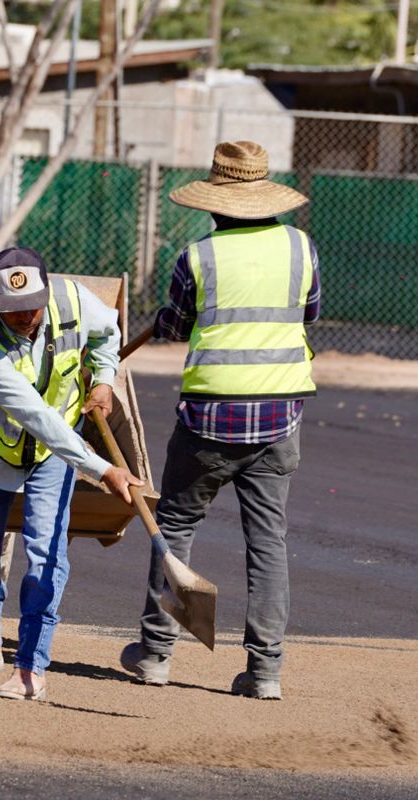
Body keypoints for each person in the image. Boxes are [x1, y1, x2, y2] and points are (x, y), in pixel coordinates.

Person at [119, 141, 321, 701]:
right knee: (268, 541)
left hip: (208, 420)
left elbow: (179, 325)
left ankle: (155, 654)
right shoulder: (301, 248)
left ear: (214, 201)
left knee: (175, 527)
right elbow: (308, 313)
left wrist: (165, 319)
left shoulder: (198, 257)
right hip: (280, 417)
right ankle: (266, 672)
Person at [0, 247, 142, 702]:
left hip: (53, 456)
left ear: (46, 292)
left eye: (32, 307)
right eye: (13, 309)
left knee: (46, 555)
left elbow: (108, 332)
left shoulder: (74, 301)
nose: (24, 317)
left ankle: (30, 668)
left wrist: (103, 378)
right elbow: (35, 416)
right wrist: (103, 470)